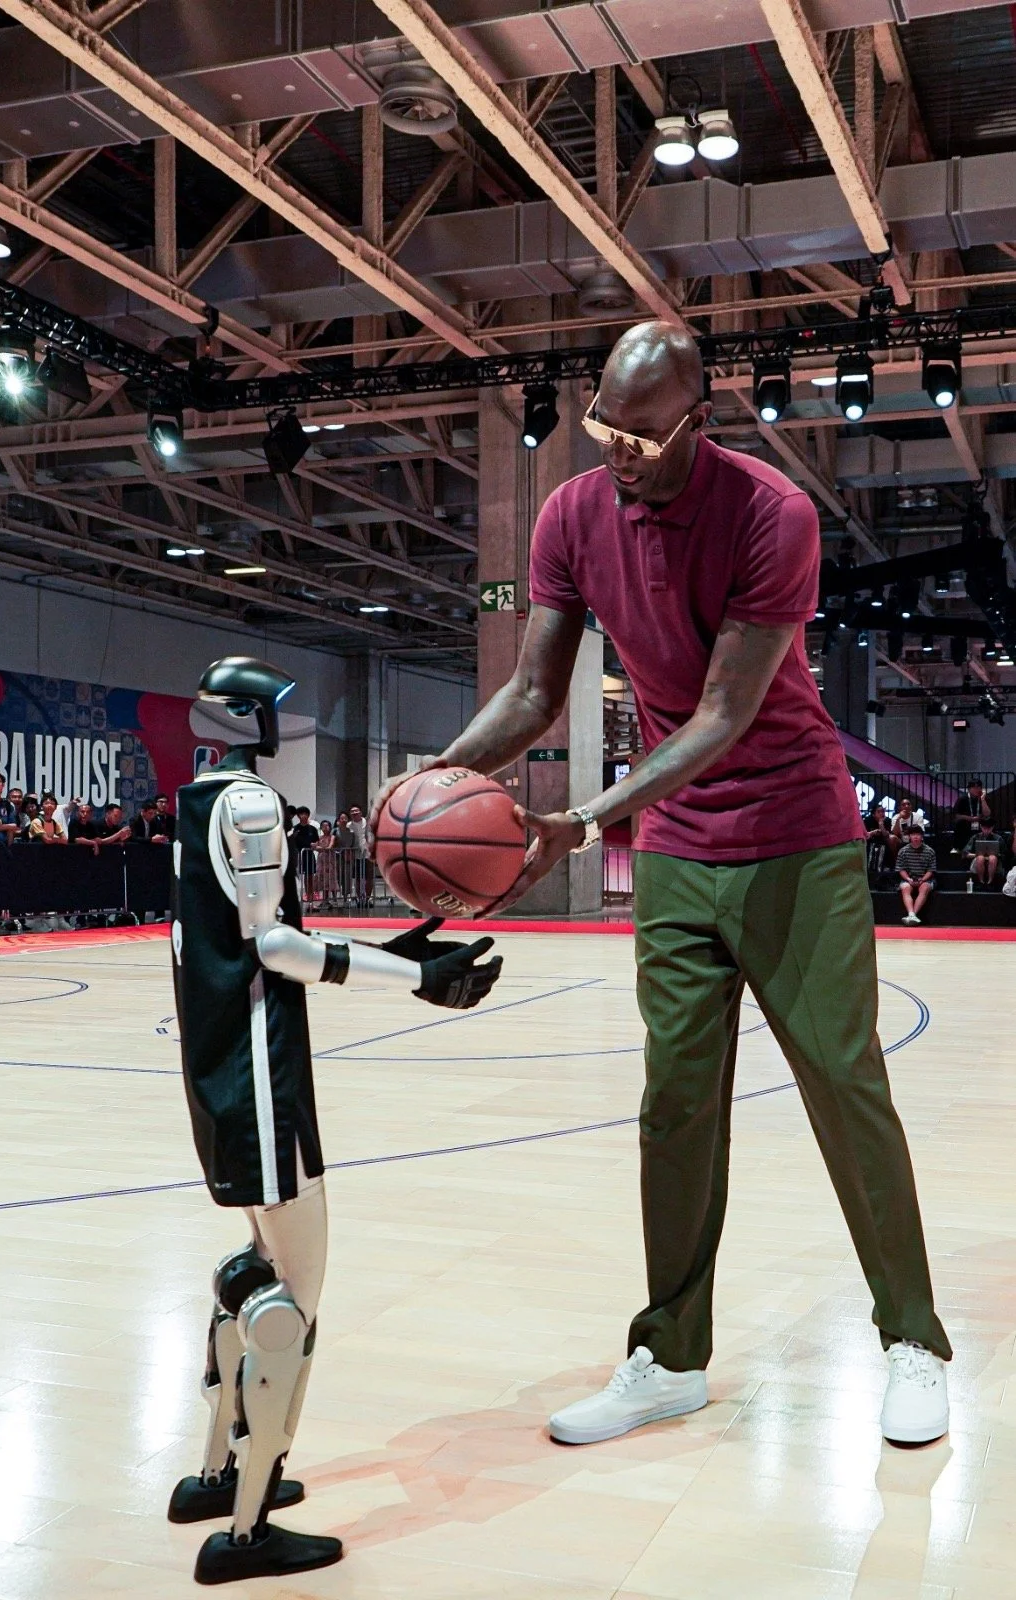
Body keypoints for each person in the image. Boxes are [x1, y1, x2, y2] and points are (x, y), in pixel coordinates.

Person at [371, 321, 950, 1450]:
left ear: (698, 419)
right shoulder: (568, 515)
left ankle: (912, 1339)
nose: (616, 453)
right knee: (674, 1101)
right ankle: (671, 1356)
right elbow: (534, 692)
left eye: (639, 436)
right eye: (603, 427)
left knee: (843, 1082)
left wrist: (585, 822)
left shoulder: (772, 514)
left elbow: (724, 715)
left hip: (796, 835)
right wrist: (436, 780)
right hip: (681, 849)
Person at [165, 655, 502, 1584]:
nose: (281, 721)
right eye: (271, 710)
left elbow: (245, 936)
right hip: (259, 1070)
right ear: (246, 720)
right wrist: (415, 976)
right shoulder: (251, 804)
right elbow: (275, 947)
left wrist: (387, 952)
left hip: (220, 1066)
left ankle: (216, 1477)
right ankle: (245, 1534)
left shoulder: (197, 800)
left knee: (254, 1275)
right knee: (292, 1305)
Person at [896, 828, 936, 925]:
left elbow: (931, 870)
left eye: (918, 834)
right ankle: (911, 914)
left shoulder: (929, 851)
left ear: (922, 836)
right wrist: (908, 879)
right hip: (908, 879)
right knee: (905, 888)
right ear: (910, 836)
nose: (916, 837)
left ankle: (913, 915)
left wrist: (923, 879)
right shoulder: (903, 851)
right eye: (913, 834)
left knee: (924, 888)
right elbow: (901, 869)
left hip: (925, 879)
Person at [952, 778, 990, 853]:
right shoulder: (962, 799)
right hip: (966, 823)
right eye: (974, 787)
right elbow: (957, 815)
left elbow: (987, 814)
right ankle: (958, 847)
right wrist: (970, 818)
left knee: (988, 823)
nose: (977, 789)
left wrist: (983, 799)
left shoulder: (984, 798)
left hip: (979, 822)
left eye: (979, 787)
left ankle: (986, 847)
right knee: (959, 823)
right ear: (969, 789)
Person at [964, 818, 1001, 888]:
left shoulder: (998, 838)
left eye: (989, 828)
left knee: (992, 858)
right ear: (981, 827)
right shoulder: (975, 837)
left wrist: (995, 855)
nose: (986, 830)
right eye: (984, 828)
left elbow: (1004, 854)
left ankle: (990, 882)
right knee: (980, 858)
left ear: (992, 827)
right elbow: (966, 853)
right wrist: (978, 855)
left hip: (994, 862)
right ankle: (981, 882)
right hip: (978, 860)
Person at [314, 819, 339, 906]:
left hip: (330, 861)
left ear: (330, 827)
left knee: (332, 880)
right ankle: (325, 900)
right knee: (323, 880)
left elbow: (330, 846)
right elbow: (315, 846)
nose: (325, 828)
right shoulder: (319, 837)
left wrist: (321, 848)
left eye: (327, 826)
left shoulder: (332, 837)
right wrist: (320, 848)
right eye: (323, 826)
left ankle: (335, 899)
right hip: (321, 861)